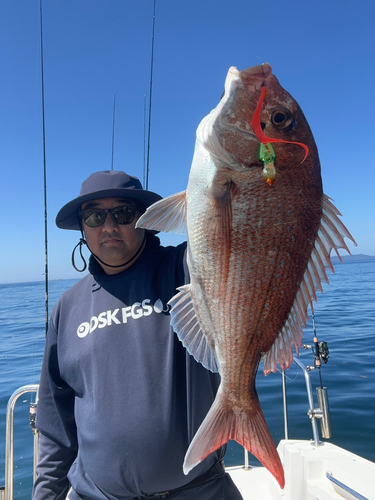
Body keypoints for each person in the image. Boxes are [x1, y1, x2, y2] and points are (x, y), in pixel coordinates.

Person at [32, 170, 243, 500]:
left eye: (123, 213)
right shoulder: (67, 308)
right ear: (82, 228)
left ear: (146, 220)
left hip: (199, 491)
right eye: (94, 216)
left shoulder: (188, 268)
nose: (109, 226)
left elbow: (243, 225)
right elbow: (56, 425)